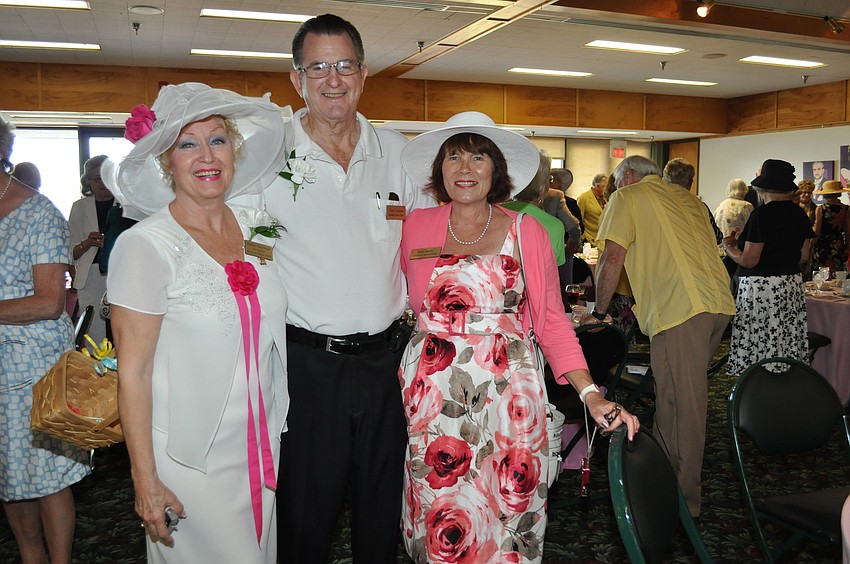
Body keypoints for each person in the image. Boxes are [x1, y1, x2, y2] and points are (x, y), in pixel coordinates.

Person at [399, 111, 639, 563]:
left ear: (496, 171)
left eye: (477, 158)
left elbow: (551, 320)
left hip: (509, 392)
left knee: (507, 503)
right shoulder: (416, 225)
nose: (465, 169)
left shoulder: (524, 229)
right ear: (440, 169)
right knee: (439, 502)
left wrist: (590, 393)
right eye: (454, 157)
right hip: (432, 397)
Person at [261, 14, 433, 564]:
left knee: (382, 512)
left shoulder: (399, 152)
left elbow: (429, 248)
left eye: (343, 66)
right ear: (297, 79)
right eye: (318, 67)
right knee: (306, 516)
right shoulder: (267, 152)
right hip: (308, 367)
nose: (331, 79)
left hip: (387, 362)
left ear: (362, 74)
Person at [104, 82, 290, 563]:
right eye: (188, 143)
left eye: (218, 140)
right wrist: (145, 479)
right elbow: (134, 373)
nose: (206, 155)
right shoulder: (146, 246)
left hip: (258, 444)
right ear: (167, 160)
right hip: (189, 458)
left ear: (235, 151)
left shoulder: (254, 226)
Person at [581, 155, 735, 518]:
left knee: (684, 404)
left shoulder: (628, 196)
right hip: (717, 304)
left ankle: (684, 500)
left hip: (681, 308)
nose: (614, 191)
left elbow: (612, 257)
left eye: (617, 183)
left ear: (629, 176)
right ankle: (663, 476)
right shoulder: (687, 198)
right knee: (670, 398)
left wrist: (598, 312)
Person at [0, 116, 90, 564]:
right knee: (7, 475)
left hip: (33, 370)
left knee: (49, 476)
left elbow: (50, 302)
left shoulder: (39, 213)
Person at [723, 159, 815, 374]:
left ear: (761, 187)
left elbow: (750, 260)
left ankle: (759, 381)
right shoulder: (799, 213)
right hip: (790, 284)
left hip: (762, 288)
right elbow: (804, 255)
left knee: (760, 336)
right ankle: (784, 378)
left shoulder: (761, 215)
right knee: (784, 335)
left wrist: (729, 248)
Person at [68, 155, 113, 343]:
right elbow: (70, 252)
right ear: (88, 182)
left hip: (119, 273)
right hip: (91, 276)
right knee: (95, 332)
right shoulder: (79, 207)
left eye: (105, 176)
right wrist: (87, 242)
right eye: (97, 179)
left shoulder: (126, 204)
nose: (102, 183)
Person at [714, 178, 754, 284]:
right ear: (744, 190)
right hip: (738, 251)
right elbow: (752, 229)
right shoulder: (747, 206)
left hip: (721, 250)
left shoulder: (721, 205)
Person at [811, 179, 850, 273]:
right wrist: (846, 248)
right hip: (838, 245)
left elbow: (817, 230)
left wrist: (810, 247)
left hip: (822, 246)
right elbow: (848, 232)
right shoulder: (846, 209)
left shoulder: (821, 208)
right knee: (837, 276)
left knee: (820, 277)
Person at [577, 173, 607, 245]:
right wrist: (583, 237)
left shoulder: (606, 198)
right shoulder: (583, 198)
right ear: (597, 186)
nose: (607, 189)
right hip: (589, 239)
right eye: (605, 186)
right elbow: (578, 220)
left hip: (602, 239)